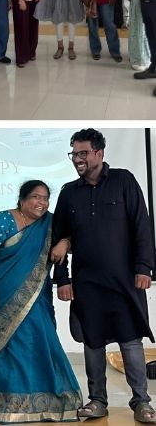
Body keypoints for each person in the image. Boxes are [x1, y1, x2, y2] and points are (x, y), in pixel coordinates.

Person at [48, 129, 156, 422]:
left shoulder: (124, 180)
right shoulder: (69, 192)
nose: (78, 159)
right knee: (92, 343)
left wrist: (144, 267)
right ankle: (97, 401)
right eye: (74, 154)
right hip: (87, 283)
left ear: (99, 153)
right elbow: (59, 238)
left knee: (131, 341)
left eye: (83, 153)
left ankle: (142, 402)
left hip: (125, 281)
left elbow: (141, 226)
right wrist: (63, 278)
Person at [0, 180, 82, 423]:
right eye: (35, 197)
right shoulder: (4, 220)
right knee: (8, 353)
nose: (41, 202)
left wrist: (63, 242)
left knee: (42, 345)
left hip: (36, 300)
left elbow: (73, 235)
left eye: (45, 198)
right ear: (22, 199)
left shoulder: (50, 224)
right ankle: (9, 406)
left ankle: (49, 403)